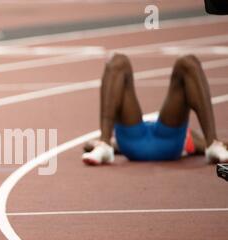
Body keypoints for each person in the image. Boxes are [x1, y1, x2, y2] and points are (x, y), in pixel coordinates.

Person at [82, 53, 228, 165]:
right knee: (117, 61)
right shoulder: (191, 136)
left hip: (165, 141)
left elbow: (87, 145)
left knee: (188, 62)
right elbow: (88, 145)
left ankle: (212, 144)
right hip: (135, 138)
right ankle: (104, 144)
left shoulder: (193, 138)